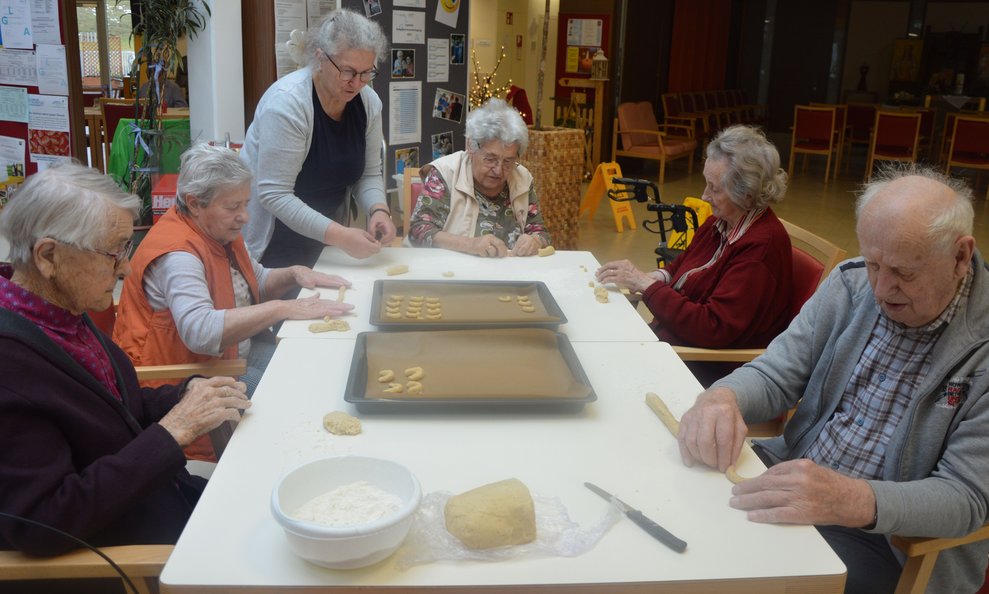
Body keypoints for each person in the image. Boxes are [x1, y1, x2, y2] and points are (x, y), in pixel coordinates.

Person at [676, 166, 989, 594]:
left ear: (960, 257)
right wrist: (724, 397)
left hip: (890, 541)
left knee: (731, 576)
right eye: (875, 264)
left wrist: (850, 499)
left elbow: (965, 497)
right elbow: (776, 373)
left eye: (904, 274)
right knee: (680, 515)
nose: (882, 289)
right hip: (794, 476)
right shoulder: (852, 284)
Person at [0, 163, 250, 560]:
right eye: (113, 252)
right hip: (135, 555)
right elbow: (43, 521)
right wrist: (173, 431)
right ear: (48, 256)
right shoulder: (12, 364)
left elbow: (114, 408)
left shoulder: (61, 313)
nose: (126, 268)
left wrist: (183, 394)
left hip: (161, 499)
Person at [113, 144, 354, 401]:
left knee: (314, 369)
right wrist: (281, 309)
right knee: (297, 394)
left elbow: (255, 282)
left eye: (246, 204)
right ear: (194, 203)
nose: (244, 217)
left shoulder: (218, 231)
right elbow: (200, 332)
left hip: (231, 355)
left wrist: (293, 274)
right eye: (232, 207)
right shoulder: (178, 255)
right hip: (182, 379)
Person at [595, 125, 792, 360]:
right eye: (706, 183)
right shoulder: (720, 222)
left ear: (747, 194)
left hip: (702, 361)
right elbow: (683, 265)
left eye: (714, 188)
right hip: (674, 338)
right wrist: (651, 277)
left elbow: (712, 327)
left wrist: (646, 285)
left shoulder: (760, 249)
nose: (704, 196)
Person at [241, 8, 396, 268]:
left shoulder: (368, 103)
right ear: (320, 58)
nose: (357, 83)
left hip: (325, 240)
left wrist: (378, 210)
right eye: (348, 71)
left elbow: (368, 173)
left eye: (366, 72)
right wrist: (341, 236)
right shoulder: (287, 104)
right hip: (273, 243)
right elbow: (274, 194)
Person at [407, 97, 552, 257]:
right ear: (471, 146)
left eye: (508, 161)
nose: (498, 170)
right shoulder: (445, 173)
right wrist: (470, 244)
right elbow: (418, 230)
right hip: (454, 270)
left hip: (510, 269)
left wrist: (536, 241)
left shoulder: (522, 178)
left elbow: (540, 232)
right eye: (490, 159)